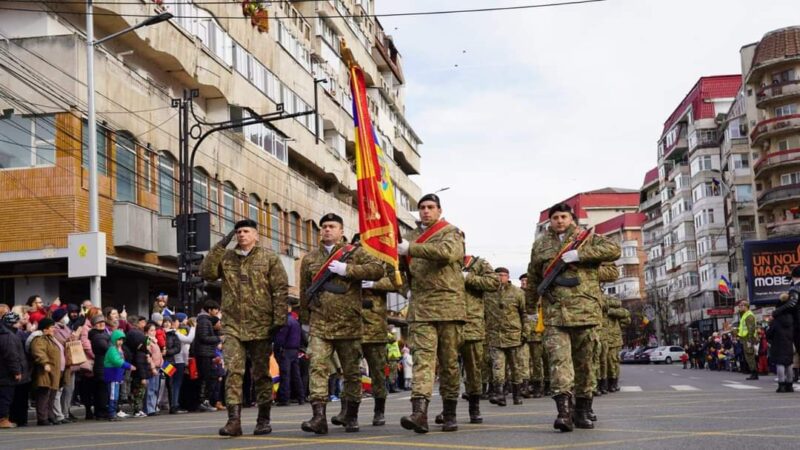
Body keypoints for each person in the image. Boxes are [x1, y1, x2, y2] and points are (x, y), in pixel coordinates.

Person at [526, 202, 620, 432]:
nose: (559, 221)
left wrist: (580, 254)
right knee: (559, 362)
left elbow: (614, 250)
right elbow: (534, 275)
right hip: (555, 313)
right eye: (555, 217)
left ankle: (583, 409)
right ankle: (563, 413)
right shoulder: (541, 245)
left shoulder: (587, 238)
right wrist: (529, 307)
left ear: (572, 219)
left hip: (585, 310)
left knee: (586, 363)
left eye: (564, 217)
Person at [200, 218, 289, 437]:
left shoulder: (269, 257)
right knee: (233, 372)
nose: (241, 235)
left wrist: (279, 319)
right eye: (238, 231)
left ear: (256, 235)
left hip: (261, 325)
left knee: (261, 374)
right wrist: (221, 245)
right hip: (233, 324)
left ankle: (263, 419)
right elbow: (207, 272)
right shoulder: (227, 257)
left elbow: (279, 289)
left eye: (246, 231)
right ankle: (234, 421)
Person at [299, 213, 384, 435]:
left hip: (349, 322)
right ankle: (319, 417)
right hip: (320, 323)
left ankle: (352, 415)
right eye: (324, 226)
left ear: (341, 230)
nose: (327, 230)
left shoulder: (355, 253)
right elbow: (304, 292)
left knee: (351, 371)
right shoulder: (310, 258)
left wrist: (348, 270)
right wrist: (305, 321)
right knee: (317, 366)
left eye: (332, 226)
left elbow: (378, 269)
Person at [397, 193, 466, 433]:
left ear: (439, 210)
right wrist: (406, 290)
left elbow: (447, 254)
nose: (426, 211)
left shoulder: (452, 232)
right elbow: (399, 271)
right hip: (422, 309)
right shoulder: (409, 238)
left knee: (448, 364)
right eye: (422, 208)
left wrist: (412, 249)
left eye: (430, 207)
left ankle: (449, 413)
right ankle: (419, 414)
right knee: (422, 362)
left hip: (449, 307)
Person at [448, 252, 498, 424]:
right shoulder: (443, 263)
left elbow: (494, 282)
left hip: (472, 324)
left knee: (474, 369)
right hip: (448, 321)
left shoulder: (479, 263)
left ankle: (474, 407)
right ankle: (449, 410)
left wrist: (468, 277)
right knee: (449, 369)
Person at [360, 269, 401, 427]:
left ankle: (379, 411)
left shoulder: (382, 259)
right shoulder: (346, 261)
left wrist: (374, 283)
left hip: (375, 329)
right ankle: (348, 411)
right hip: (350, 326)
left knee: (377, 372)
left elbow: (397, 282)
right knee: (350, 371)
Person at [484, 267, 528, 407]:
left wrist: (525, 332)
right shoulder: (488, 292)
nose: (500, 278)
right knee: (498, 367)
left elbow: (525, 313)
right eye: (497, 275)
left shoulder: (517, 292)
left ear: (508, 276)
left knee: (516, 368)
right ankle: (499, 394)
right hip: (495, 336)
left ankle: (517, 394)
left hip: (514, 336)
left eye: (502, 275)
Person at [28, 318, 63, 426]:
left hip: (53, 371)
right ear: (45, 329)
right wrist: (45, 363)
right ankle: (42, 418)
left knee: (51, 394)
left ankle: (50, 416)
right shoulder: (39, 339)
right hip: (44, 371)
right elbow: (38, 352)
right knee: (44, 395)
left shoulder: (50, 338)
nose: (54, 329)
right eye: (52, 327)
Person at [193, 300, 222, 413]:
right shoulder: (204, 321)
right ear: (209, 310)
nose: (216, 312)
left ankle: (205, 401)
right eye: (215, 309)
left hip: (207, 353)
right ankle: (203, 401)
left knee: (209, 377)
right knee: (205, 377)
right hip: (204, 353)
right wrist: (219, 338)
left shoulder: (207, 321)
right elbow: (204, 338)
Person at [274, 308, 304, 407]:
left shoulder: (286, 322)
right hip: (295, 350)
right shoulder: (295, 322)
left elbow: (280, 338)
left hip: (286, 350)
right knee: (296, 375)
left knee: (285, 375)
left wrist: (277, 347)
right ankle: (301, 397)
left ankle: (284, 398)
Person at [0, 312, 26, 428]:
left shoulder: (6, 334)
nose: (20, 324)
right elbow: (12, 356)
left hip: (3, 371)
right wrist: (17, 371)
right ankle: (3, 419)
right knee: (6, 396)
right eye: (18, 322)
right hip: (6, 372)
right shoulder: (9, 336)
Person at [104, 329, 134, 421]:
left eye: (121, 340)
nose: (120, 342)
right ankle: (111, 413)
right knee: (113, 395)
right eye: (118, 340)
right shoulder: (112, 350)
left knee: (115, 395)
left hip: (116, 376)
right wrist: (128, 366)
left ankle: (113, 412)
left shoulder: (118, 350)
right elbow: (117, 361)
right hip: (112, 376)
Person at [88, 315, 110, 420]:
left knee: (101, 389)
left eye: (103, 322)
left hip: (102, 364)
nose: (102, 324)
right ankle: (101, 411)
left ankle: (101, 411)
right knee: (102, 389)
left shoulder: (103, 334)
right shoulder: (98, 336)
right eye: (99, 323)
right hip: (101, 364)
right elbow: (106, 348)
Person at [735, 300, 759, 380]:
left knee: (750, 356)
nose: (739, 307)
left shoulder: (749, 315)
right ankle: (753, 372)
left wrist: (749, 340)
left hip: (748, 338)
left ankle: (754, 373)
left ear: (745, 306)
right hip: (745, 338)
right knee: (748, 356)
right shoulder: (745, 315)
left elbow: (751, 329)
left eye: (741, 305)